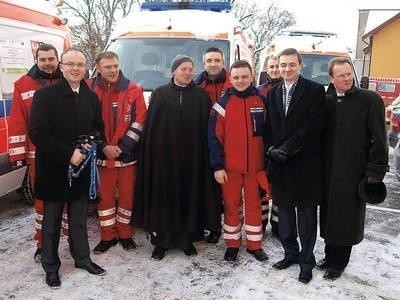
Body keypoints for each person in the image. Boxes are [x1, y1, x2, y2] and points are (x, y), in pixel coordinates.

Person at [29, 48, 106, 289]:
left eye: (80, 65)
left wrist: (90, 142)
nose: (75, 69)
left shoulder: (91, 97)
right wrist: (67, 154)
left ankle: (82, 258)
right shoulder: (45, 96)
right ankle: (51, 267)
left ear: (85, 68)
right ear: (61, 66)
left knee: (79, 219)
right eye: (70, 64)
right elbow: (37, 133)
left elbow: (97, 127)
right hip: (53, 169)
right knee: (51, 222)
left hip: (81, 169)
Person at [133, 55, 221, 260]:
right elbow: (151, 128)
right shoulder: (160, 93)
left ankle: (185, 240)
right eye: (183, 69)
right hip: (164, 159)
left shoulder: (201, 96)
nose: (188, 72)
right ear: (173, 71)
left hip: (193, 159)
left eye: (191, 69)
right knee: (163, 198)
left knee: (188, 198)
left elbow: (207, 129)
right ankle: (161, 242)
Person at [317, 57, 389, 281]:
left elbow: (380, 138)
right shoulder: (325, 99)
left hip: (354, 170)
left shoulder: (370, 100)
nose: (347, 78)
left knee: (346, 217)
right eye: (341, 75)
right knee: (329, 214)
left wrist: (376, 170)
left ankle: (339, 263)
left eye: (349, 74)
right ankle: (329, 256)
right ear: (332, 78)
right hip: (328, 169)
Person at [264, 48, 325, 284]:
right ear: (277, 67)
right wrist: (271, 149)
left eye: (291, 64)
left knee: (307, 216)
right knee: (285, 215)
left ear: (301, 65)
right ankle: (290, 253)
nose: (286, 69)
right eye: (282, 65)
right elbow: (269, 126)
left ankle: (306, 261)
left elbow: (312, 128)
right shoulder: (274, 92)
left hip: (305, 163)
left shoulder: (314, 90)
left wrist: (287, 149)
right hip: (281, 164)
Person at [8, 43, 69, 263]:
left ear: (57, 60)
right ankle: (43, 244)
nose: (47, 63)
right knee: (43, 203)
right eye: (42, 59)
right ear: (36, 60)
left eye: (51, 59)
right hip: (39, 156)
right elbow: (17, 121)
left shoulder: (69, 80)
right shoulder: (22, 85)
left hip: (67, 155)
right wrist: (17, 155)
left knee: (69, 201)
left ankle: (71, 240)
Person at [208, 60, 269, 262]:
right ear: (230, 78)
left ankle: (254, 245)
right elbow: (213, 138)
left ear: (252, 77)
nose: (240, 81)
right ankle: (232, 244)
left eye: (244, 76)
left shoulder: (262, 100)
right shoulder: (221, 105)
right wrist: (218, 166)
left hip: (256, 168)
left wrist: (268, 164)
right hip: (230, 169)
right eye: (236, 77)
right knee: (231, 206)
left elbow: (270, 134)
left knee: (254, 206)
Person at [88, 51, 147, 253]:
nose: (113, 70)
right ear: (98, 68)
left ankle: (125, 234)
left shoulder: (134, 89)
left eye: (115, 65)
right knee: (104, 198)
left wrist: (122, 148)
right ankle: (107, 237)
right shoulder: (89, 89)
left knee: (126, 198)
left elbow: (140, 122)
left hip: (127, 156)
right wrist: (103, 146)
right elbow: (87, 123)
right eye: (108, 67)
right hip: (102, 156)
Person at [194, 47, 232, 244]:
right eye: (209, 60)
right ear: (204, 63)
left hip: (230, 140)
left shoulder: (233, 81)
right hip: (203, 141)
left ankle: (226, 225)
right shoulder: (196, 84)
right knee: (207, 187)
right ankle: (210, 224)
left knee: (227, 188)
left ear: (223, 62)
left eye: (217, 60)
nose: (213, 64)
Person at [257, 54, 282, 237]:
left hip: (282, 145)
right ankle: (261, 222)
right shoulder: (258, 91)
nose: (274, 70)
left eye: (277, 66)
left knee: (280, 188)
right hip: (263, 145)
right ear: (266, 68)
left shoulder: (287, 89)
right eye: (271, 66)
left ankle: (278, 225)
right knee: (262, 187)